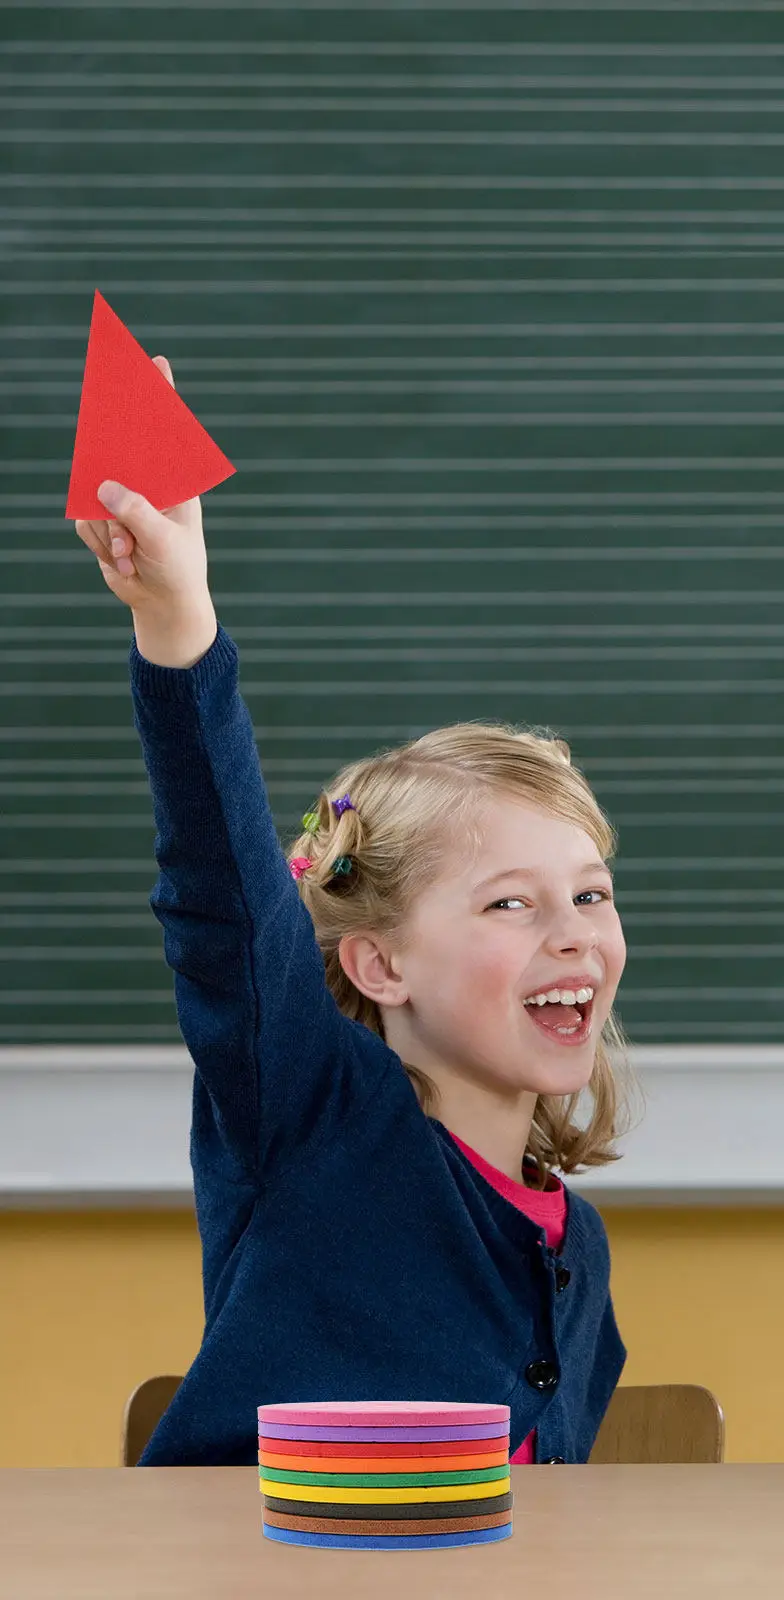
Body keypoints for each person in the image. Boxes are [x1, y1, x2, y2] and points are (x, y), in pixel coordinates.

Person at [75, 359, 629, 1465]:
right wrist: (180, 627)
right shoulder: (319, 1118)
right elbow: (224, 902)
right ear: (379, 966)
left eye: (590, 893)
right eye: (510, 903)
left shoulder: (574, 1243)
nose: (571, 931)